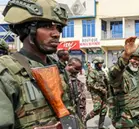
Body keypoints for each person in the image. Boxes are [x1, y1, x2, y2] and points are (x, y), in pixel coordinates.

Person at [0, 0, 84, 128]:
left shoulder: (57, 68)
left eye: (59, 28)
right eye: (47, 26)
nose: (56, 34)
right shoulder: (6, 73)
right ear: (27, 29)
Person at [85, 57, 108, 129]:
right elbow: (91, 83)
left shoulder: (102, 71)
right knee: (97, 108)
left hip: (103, 93)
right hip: (96, 93)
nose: (101, 65)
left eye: (102, 63)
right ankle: (84, 120)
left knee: (104, 109)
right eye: (100, 63)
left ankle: (101, 126)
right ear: (96, 64)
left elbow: (106, 82)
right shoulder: (92, 72)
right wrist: (101, 89)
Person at [65, 57, 87, 122]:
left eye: (79, 69)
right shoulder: (62, 77)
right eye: (76, 68)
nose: (78, 71)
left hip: (78, 111)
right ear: (69, 65)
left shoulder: (75, 79)